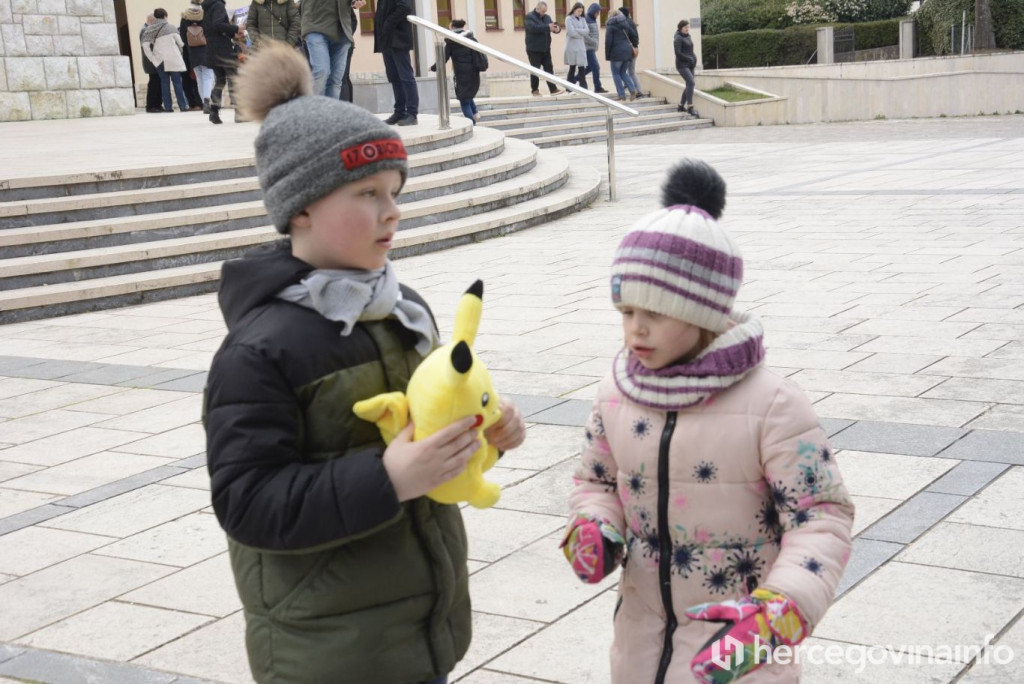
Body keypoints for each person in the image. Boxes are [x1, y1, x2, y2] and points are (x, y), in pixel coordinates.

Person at [206, 41, 527, 684]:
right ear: (300, 207)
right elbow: (248, 502)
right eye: (368, 193)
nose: (392, 211)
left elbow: (432, 424)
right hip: (326, 650)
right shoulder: (260, 348)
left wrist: (484, 432)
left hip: (418, 627)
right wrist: (388, 479)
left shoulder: (405, 309)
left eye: (395, 191)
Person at [560, 160, 855, 684]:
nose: (636, 329)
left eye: (657, 311)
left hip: (740, 646)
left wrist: (779, 610)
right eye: (626, 311)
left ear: (704, 312)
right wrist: (595, 524)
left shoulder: (774, 404)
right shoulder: (615, 394)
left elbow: (821, 517)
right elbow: (596, 481)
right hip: (641, 641)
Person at [430, 19, 486, 124]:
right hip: (473, 73)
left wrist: (433, 68)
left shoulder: (452, 42)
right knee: (467, 95)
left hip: (461, 75)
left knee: (463, 100)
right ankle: (475, 112)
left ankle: (472, 124)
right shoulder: (471, 39)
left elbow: (443, 59)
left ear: (453, 28)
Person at [301, 0, 361, 98]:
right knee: (321, 72)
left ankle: (331, 112)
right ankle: (314, 111)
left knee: (335, 80)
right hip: (315, 26)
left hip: (342, 29)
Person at [374, 0, 418, 125]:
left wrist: (387, 23)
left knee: (406, 77)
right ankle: (399, 112)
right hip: (386, 40)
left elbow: (404, 8)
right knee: (394, 77)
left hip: (398, 39)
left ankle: (412, 113)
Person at [202, 0, 243, 123]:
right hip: (223, 50)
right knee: (234, 79)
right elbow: (218, 25)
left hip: (212, 49)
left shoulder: (207, 7)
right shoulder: (218, 5)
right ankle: (239, 113)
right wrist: (236, 28)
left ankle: (214, 111)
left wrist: (231, 34)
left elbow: (212, 29)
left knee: (219, 81)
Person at [142, 8, 190, 113]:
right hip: (173, 59)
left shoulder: (149, 30)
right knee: (177, 82)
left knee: (164, 83)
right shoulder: (171, 28)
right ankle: (183, 106)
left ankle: (168, 107)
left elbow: (145, 45)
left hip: (159, 61)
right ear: (165, 16)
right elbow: (181, 43)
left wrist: (152, 58)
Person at [524, 1, 564, 97]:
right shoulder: (530, 17)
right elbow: (533, 28)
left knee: (549, 69)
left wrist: (557, 29)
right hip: (534, 49)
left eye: (545, 11)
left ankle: (553, 89)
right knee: (535, 70)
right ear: (537, 9)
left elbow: (552, 27)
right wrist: (547, 27)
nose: (543, 13)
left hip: (545, 49)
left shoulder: (547, 17)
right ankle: (535, 90)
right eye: (542, 11)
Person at [180, 0, 210, 111]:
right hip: (206, 50)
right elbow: (209, 31)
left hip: (192, 52)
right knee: (208, 76)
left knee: (199, 79)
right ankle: (207, 100)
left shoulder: (185, 16)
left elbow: (182, 34)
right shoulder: (205, 14)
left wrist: (189, 46)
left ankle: (203, 102)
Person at [604, 8, 637, 101]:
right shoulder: (626, 23)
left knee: (616, 74)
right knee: (623, 73)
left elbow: (608, 41)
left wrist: (607, 55)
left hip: (616, 53)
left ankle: (621, 95)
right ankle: (632, 90)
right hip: (627, 52)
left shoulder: (610, 25)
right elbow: (633, 35)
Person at [139, 14, 164, 113]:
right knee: (153, 84)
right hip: (151, 62)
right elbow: (147, 47)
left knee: (157, 82)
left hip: (154, 61)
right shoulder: (145, 30)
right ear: (151, 21)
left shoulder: (147, 29)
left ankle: (157, 104)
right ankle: (151, 106)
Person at [675, 19, 698, 117]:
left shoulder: (688, 36)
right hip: (682, 65)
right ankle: (690, 107)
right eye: (685, 27)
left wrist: (693, 59)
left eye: (688, 27)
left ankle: (680, 106)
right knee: (691, 82)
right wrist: (688, 58)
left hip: (690, 64)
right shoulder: (678, 39)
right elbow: (678, 53)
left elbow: (690, 50)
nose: (687, 29)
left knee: (689, 84)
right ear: (680, 28)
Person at [582, 3, 607, 94]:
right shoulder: (587, 19)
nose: (598, 14)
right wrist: (594, 42)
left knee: (589, 68)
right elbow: (585, 35)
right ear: (593, 12)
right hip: (588, 48)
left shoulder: (593, 19)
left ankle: (573, 79)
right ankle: (598, 87)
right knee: (596, 67)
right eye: (597, 12)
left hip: (591, 47)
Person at [619, 6, 643, 98]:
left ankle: (635, 89)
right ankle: (637, 89)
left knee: (626, 71)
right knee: (630, 70)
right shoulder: (631, 22)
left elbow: (631, 36)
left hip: (630, 49)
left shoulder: (626, 23)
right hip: (635, 48)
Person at [563, 2, 588, 90]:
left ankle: (583, 87)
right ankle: (569, 87)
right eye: (578, 11)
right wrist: (581, 32)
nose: (579, 13)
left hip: (580, 46)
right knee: (572, 67)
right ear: (574, 10)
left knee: (582, 67)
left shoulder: (583, 19)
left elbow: (587, 31)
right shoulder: (568, 19)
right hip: (571, 47)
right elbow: (571, 32)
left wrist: (577, 30)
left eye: (581, 11)